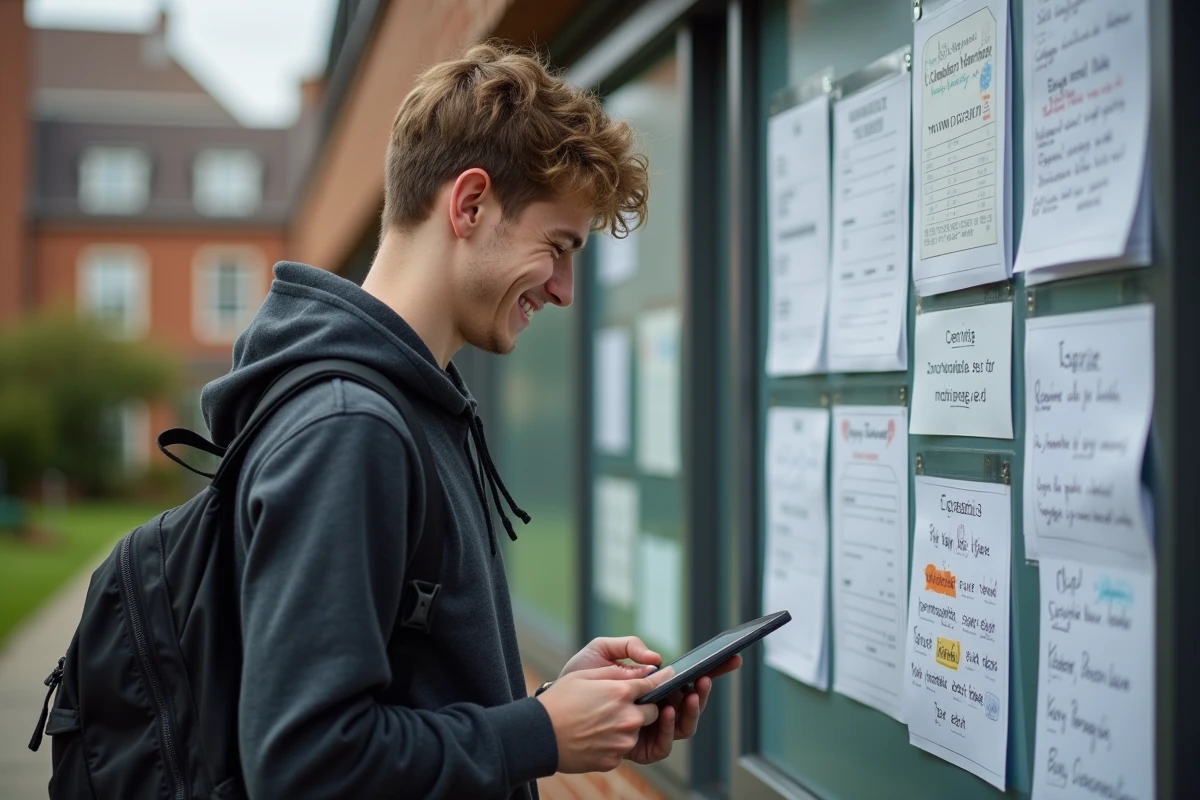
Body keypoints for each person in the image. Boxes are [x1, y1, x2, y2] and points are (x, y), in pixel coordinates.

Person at [199, 42, 740, 799]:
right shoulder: (351, 428)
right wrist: (540, 733)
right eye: (557, 247)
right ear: (470, 204)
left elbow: (401, 699)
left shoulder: (410, 404)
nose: (564, 290)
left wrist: (548, 711)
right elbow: (304, 764)